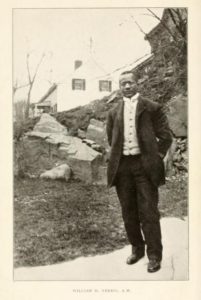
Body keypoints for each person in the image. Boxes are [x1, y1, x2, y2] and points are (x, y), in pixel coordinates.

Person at [106, 71, 172, 273]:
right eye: (123, 83)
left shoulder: (152, 107)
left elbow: (166, 136)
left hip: (145, 167)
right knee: (128, 212)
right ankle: (137, 249)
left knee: (149, 212)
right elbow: (111, 139)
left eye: (130, 82)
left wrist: (156, 156)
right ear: (119, 86)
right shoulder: (113, 111)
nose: (127, 86)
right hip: (123, 167)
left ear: (137, 83)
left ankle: (154, 256)